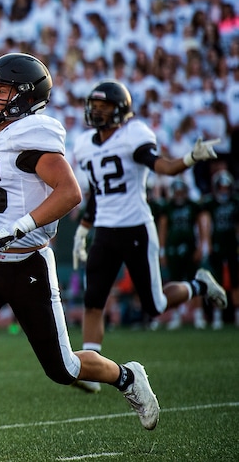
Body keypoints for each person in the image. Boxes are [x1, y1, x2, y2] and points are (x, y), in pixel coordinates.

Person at [0, 53, 160, 462]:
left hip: (26, 263)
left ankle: (127, 376)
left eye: (1, 89)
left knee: (63, 369)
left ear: (25, 95)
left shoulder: (33, 134)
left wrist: (22, 225)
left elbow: (70, 192)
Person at [71, 80, 228, 393]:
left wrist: (190, 158)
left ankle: (199, 284)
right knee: (93, 301)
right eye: (95, 106)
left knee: (154, 305)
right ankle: (92, 369)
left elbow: (164, 168)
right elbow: (97, 194)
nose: (96, 112)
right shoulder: (84, 145)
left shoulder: (134, 135)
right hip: (105, 230)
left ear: (120, 111)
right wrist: (84, 228)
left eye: (103, 108)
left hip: (136, 229)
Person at [157, 178, 208, 330]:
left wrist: (201, 246)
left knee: (194, 280)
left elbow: (200, 225)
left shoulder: (193, 206)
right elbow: (163, 229)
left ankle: (198, 315)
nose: (179, 195)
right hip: (173, 248)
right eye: (177, 192)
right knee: (176, 281)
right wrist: (162, 250)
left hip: (190, 246)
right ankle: (177, 316)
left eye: (181, 192)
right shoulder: (168, 207)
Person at [200, 169, 239, 328]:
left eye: (226, 188)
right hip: (217, 244)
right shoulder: (210, 203)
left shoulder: (235, 202)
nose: (223, 191)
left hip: (232, 245)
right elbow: (206, 223)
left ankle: (236, 315)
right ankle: (217, 315)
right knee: (216, 281)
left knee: (236, 281)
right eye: (221, 187)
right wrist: (206, 243)